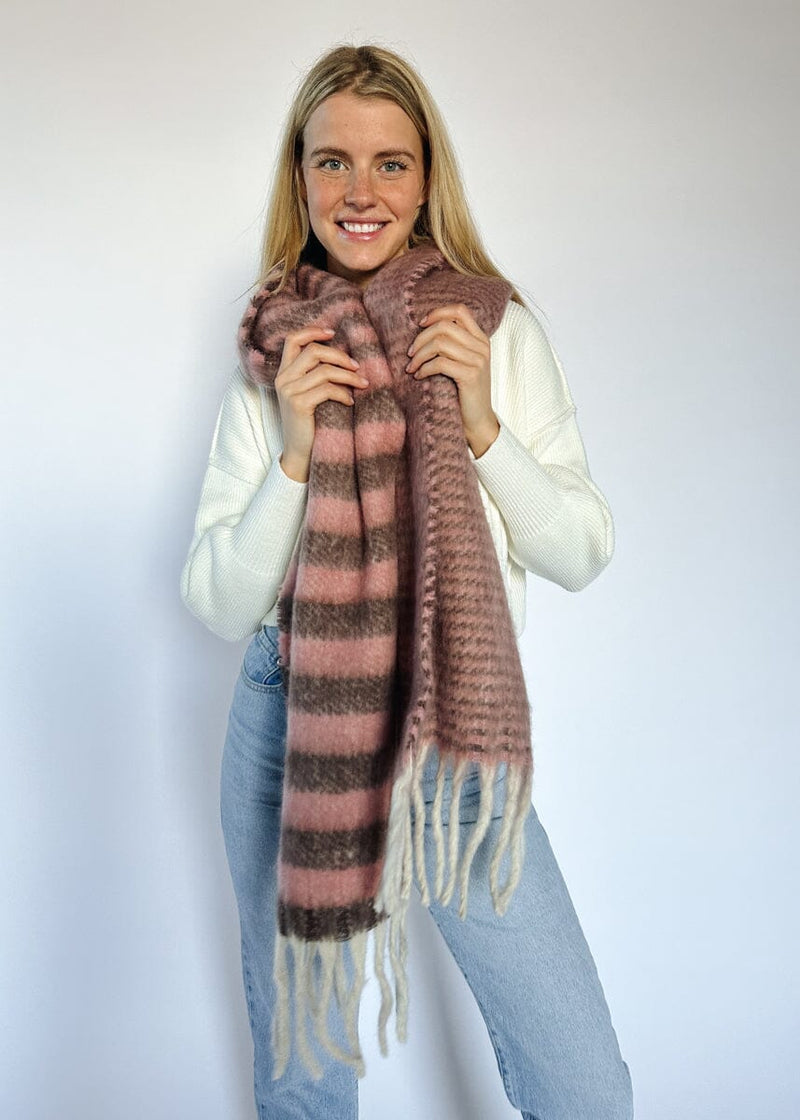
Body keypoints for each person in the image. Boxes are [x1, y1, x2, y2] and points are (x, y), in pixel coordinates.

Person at [180, 41, 634, 1120]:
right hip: (294, 718)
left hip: (451, 725)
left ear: (427, 180)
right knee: (304, 1083)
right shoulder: (275, 352)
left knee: (584, 1087)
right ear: (299, 178)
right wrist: (295, 452)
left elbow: (580, 549)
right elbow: (219, 601)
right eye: (332, 160)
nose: (361, 191)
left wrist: (483, 426)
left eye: (390, 162)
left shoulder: (492, 332)